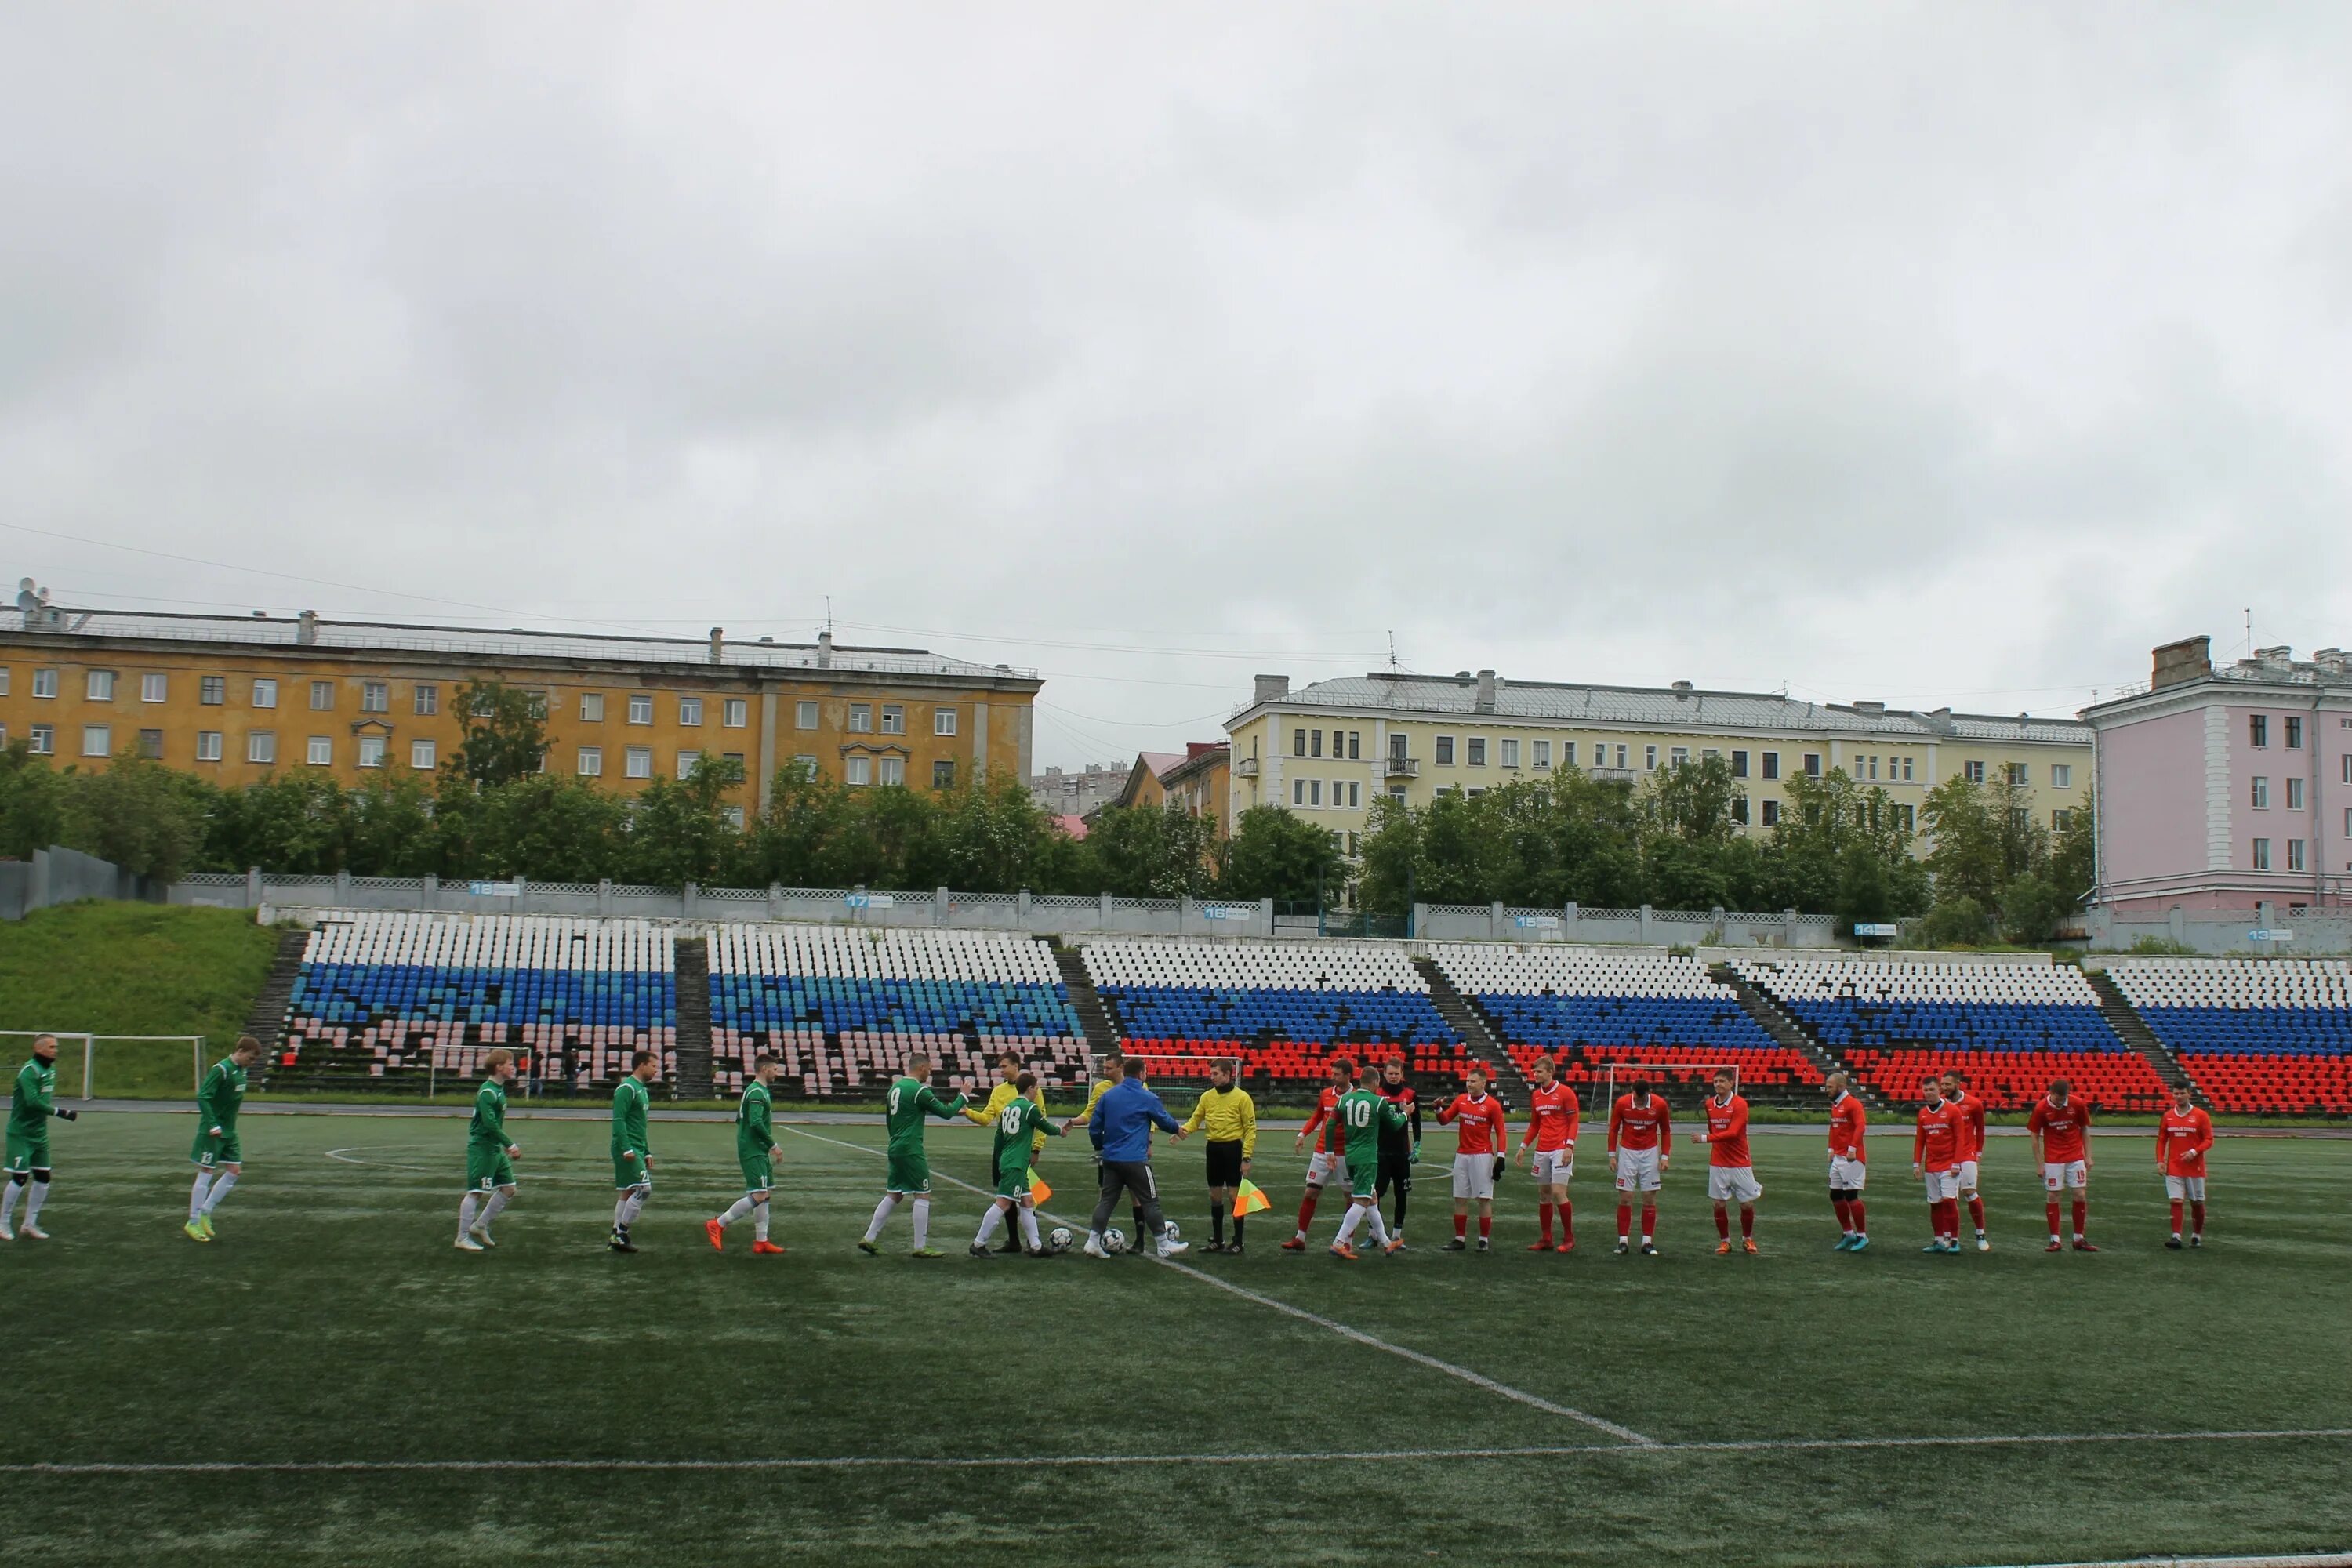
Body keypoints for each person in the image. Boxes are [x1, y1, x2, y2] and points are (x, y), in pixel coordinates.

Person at [860, 1051, 970, 1258]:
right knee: (922, 1193)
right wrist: (962, 1096)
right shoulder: (920, 1091)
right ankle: (920, 1247)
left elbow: (889, 1119)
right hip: (911, 1148)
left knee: (895, 1193)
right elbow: (945, 1113)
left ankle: (869, 1237)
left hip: (895, 1145)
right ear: (921, 1068)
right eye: (929, 1069)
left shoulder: (896, 1087)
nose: (930, 1072)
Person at [1083, 1058, 1189, 1258]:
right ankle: (1163, 1243)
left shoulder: (1108, 1096)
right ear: (1141, 1073)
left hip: (1111, 1159)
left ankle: (1092, 1242)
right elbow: (1163, 1119)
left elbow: (1095, 1127)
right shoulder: (1147, 1096)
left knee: (1106, 1200)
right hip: (1135, 1160)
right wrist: (1177, 1128)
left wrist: (1100, 1147)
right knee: (1150, 1201)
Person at [971, 1071, 1065, 1258]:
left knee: (1027, 1202)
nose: (1038, 1091)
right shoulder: (1030, 1109)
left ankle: (1036, 1246)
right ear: (1030, 1089)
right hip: (1016, 1163)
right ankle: (978, 1243)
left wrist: (999, 1159)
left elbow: (999, 1137)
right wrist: (1061, 1130)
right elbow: (1045, 1127)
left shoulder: (1008, 1108)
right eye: (1036, 1087)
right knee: (1003, 1203)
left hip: (1010, 1160)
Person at [1325, 1059, 1409, 1260]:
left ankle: (1387, 1243)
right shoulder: (1378, 1101)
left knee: (1372, 1199)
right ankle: (1338, 1242)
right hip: (1367, 1157)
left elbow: (1329, 1125)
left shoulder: (1345, 1099)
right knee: (1362, 1201)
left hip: (1350, 1155)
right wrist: (1406, 1114)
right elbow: (1395, 1125)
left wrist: (1330, 1151)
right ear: (1376, 1082)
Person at [1064, 1047, 1144, 1247]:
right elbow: (1089, 1114)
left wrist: (1149, 1142)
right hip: (1110, 1150)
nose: (1105, 1072)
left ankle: (1140, 1240)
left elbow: (1149, 1116)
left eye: (1109, 1068)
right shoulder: (1101, 1089)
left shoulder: (1140, 1087)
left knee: (1137, 1194)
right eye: (1104, 1068)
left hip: (1134, 1149)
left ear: (1121, 1068)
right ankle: (1097, 1239)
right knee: (1105, 1195)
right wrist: (1074, 1121)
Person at [708, 1052, 786, 1254]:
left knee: (765, 1194)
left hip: (756, 1149)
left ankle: (761, 1241)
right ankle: (718, 1223)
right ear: (764, 1069)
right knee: (759, 1195)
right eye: (775, 1070)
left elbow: (740, 1119)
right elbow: (755, 1122)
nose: (776, 1073)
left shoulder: (758, 1091)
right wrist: (772, 1145)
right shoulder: (756, 1093)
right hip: (753, 1150)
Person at [186, 1036, 262, 1243]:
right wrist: (212, 1124)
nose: (252, 1063)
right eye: (251, 1058)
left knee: (234, 1171)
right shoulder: (221, 1069)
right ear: (241, 1051)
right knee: (207, 1171)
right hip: (213, 1131)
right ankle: (192, 1221)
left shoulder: (241, 1071)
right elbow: (203, 1096)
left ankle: (205, 1212)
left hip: (230, 1131)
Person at [3, 1033, 76, 1242]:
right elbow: (32, 1102)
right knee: (20, 1177)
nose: (56, 1050)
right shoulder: (29, 1071)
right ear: (39, 1049)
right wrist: (61, 1112)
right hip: (20, 1133)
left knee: (44, 1178)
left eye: (56, 1047)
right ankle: (3, 1224)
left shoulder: (50, 1071)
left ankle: (29, 1224)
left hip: (39, 1134)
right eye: (52, 1047)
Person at [966, 1051, 1040, 1253]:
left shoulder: (1032, 1090)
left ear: (1017, 1066)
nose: (1001, 1071)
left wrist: (1037, 1149)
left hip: (1022, 1152)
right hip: (1006, 1152)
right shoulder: (998, 1091)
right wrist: (968, 1113)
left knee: (1027, 1196)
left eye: (1004, 1066)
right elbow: (986, 1118)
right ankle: (1015, 1241)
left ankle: (1032, 1242)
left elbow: (1040, 1120)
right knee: (1013, 1197)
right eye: (1000, 1067)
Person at [1181, 1058, 1257, 1254]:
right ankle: (1218, 1239)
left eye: (1216, 1074)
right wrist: (1183, 1131)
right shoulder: (1207, 1097)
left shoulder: (1242, 1097)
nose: (1211, 1077)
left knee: (1234, 1196)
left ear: (1228, 1074)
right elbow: (1196, 1119)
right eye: (1211, 1073)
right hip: (1213, 1148)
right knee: (1215, 1195)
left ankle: (1238, 1241)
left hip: (1232, 1149)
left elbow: (1250, 1128)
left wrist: (1246, 1157)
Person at [1283, 1058, 1358, 1251]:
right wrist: (1302, 1134)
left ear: (1348, 1076)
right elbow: (1317, 1116)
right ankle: (1300, 1238)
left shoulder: (1357, 1097)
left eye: (1337, 1074)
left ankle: (1347, 1243)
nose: (1332, 1076)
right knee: (1311, 1191)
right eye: (1332, 1073)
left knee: (1350, 1197)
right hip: (1322, 1151)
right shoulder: (1326, 1094)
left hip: (1345, 1154)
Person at [1436, 1065, 1508, 1252]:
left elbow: (1501, 1132)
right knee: (1460, 1197)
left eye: (1473, 1081)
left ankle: (1483, 1240)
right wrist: (1437, 1109)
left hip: (1482, 1156)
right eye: (1467, 1081)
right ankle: (1459, 1239)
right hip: (1462, 1155)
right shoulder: (1461, 1100)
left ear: (1483, 1083)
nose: (1469, 1084)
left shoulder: (1492, 1105)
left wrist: (1501, 1157)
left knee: (1484, 1199)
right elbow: (1445, 1120)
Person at [456, 1048, 521, 1251]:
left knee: (509, 1189)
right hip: (483, 1148)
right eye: (510, 1064)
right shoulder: (488, 1092)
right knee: (475, 1192)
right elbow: (490, 1124)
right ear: (499, 1067)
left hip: (494, 1149)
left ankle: (480, 1225)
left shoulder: (498, 1089)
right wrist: (510, 1144)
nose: (513, 1067)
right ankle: (462, 1237)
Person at [1515, 1054, 1578, 1253]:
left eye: (1539, 1071)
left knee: (1559, 1192)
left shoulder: (1566, 1093)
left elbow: (1574, 1122)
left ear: (1550, 1072)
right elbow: (1535, 1124)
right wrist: (1523, 1146)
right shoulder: (1536, 1095)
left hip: (1560, 1149)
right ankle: (1546, 1238)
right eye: (1534, 1071)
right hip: (1542, 1149)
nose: (1535, 1074)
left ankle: (1569, 1238)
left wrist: (1569, 1146)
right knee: (1544, 1195)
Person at [1694, 1069, 1760, 1256]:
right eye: (1715, 1081)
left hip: (1740, 1162)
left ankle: (1747, 1239)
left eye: (1722, 1081)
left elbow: (1732, 1133)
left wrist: (1705, 1139)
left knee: (1746, 1204)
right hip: (1718, 1162)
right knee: (1718, 1204)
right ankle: (1725, 1242)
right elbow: (1713, 1128)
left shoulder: (1740, 1104)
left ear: (1732, 1083)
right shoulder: (1709, 1104)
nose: (1718, 1085)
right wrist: (1711, 1138)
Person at [2027, 1078, 2096, 1253]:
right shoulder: (2041, 1108)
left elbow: (2084, 1129)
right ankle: (2055, 1239)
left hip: (2075, 1156)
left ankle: (2079, 1238)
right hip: (2053, 1158)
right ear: (2050, 1093)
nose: (2060, 1102)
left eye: (2063, 1099)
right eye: (2057, 1099)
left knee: (2080, 1194)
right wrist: (2039, 1164)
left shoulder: (2077, 1104)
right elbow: (2034, 1136)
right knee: (2053, 1196)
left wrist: (2088, 1156)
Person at [1606, 1079, 1672, 1254]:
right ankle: (1623, 1241)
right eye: (1638, 1097)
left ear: (1648, 1093)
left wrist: (1665, 1156)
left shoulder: (1659, 1105)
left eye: (1643, 1098)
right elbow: (1613, 1129)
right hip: (1627, 1152)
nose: (1640, 1101)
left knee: (1649, 1197)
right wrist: (1612, 1155)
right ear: (1632, 1091)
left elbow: (1665, 1130)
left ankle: (1647, 1242)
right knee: (1626, 1197)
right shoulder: (1622, 1103)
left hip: (1649, 1153)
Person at [608, 1048, 659, 1254]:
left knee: (627, 1192)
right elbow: (619, 1120)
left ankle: (615, 1235)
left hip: (637, 1147)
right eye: (654, 1066)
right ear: (642, 1065)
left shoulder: (641, 1089)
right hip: (627, 1148)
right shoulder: (627, 1088)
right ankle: (621, 1233)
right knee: (644, 1189)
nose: (656, 1070)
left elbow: (640, 1124)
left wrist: (646, 1151)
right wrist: (626, 1147)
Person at [1913, 1074, 1966, 1254]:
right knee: (1935, 1204)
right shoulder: (1923, 1114)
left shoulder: (1952, 1111)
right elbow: (1920, 1140)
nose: (1929, 1093)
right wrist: (1916, 1164)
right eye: (1926, 1090)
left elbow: (1961, 1139)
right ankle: (1938, 1240)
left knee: (1949, 1201)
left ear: (1939, 1090)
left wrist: (1957, 1163)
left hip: (1949, 1165)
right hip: (1931, 1166)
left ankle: (1954, 1240)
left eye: (1932, 1089)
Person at [2156, 1084, 2214, 1250]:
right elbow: (2161, 1139)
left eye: (2182, 1093)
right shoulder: (2168, 1116)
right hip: (2174, 1166)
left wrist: (2194, 1152)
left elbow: (2209, 1139)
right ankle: (2176, 1236)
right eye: (2176, 1094)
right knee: (2175, 1200)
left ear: (2189, 1094)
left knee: (2197, 1202)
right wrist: (2160, 1160)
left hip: (2194, 1167)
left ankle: (2196, 1235)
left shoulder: (2201, 1116)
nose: (2179, 1096)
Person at [1374, 1057, 1421, 1244]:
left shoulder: (1410, 1094)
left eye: (1397, 1073)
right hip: (1381, 1153)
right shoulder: (1377, 1094)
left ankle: (1396, 1235)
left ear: (1402, 1075)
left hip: (1402, 1153)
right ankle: (1374, 1235)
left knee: (1401, 1195)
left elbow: (1417, 1122)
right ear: (1384, 1074)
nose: (1393, 1077)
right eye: (1390, 1073)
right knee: (1376, 1194)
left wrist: (1417, 1145)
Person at [1943, 1070, 1990, 1251]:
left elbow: (1981, 1129)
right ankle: (1949, 1236)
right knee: (1947, 1198)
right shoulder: (1941, 1104)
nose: (1945, 1088)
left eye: (1948, 1084)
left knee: (1969, 1191)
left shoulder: (1974, 1104)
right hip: (1947, 1156)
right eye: (1943, 1085)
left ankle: (1980, 1234)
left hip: (1967, 1154)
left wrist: (1978, 1152)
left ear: (1958, 1084)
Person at [1825, 1071, 1870, 1252]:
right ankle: (1848, 1233)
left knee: (1851, 1196)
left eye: (1830, 1087)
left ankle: (1862, 1235)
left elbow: (1861, 1126)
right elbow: (1834, 1127)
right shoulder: (1836, 1105)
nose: (1827, 1090)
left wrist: (1852, 1148)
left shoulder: (1853, 1104)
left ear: (1841, 1087)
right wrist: (1830, 1149)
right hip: (1838, 1157)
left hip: (1853, 1158)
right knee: (1835, 1195)